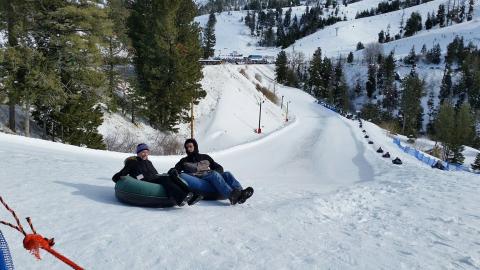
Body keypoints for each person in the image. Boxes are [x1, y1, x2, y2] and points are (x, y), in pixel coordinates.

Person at [112, 143, 203, 206]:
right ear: (138, 153)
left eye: (147, 152)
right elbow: (120, 174)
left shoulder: (149, 162)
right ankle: (180, 198)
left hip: (154, 177)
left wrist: (160, 175)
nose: (145, 154)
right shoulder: (132, 162)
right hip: (143, 180)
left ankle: (191, 195)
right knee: (166, 180)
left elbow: (155, 173)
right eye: (143, 152)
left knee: (172, 176)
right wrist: (118, 178)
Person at [168, 138, 254, 205]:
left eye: (190, 146)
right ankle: (231, 195)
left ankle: (241, 193)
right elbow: (176, 169)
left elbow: (219, 167)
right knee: (212, 174)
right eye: (187, 147)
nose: (188, 149)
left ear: (195, 146)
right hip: (197, 180)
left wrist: (217, 174)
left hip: (210, 178)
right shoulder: (184, 160)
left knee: (227, 174)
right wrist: (173, 171)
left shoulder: (205, 157)